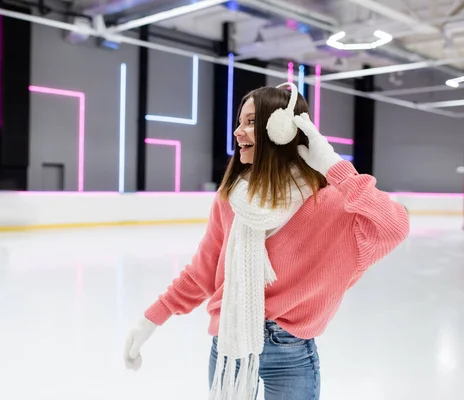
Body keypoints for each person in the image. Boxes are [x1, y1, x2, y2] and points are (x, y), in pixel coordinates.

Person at [123, 83, 410, 400]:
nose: (237, 132)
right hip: (229, 344)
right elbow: (202, 272)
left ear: (282, 131)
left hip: (290, 354)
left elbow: (393, 226)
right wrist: (151, 319)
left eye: (249, 123)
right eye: (239, 122)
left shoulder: (331, 204)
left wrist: (332, 164)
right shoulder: (232, 198)